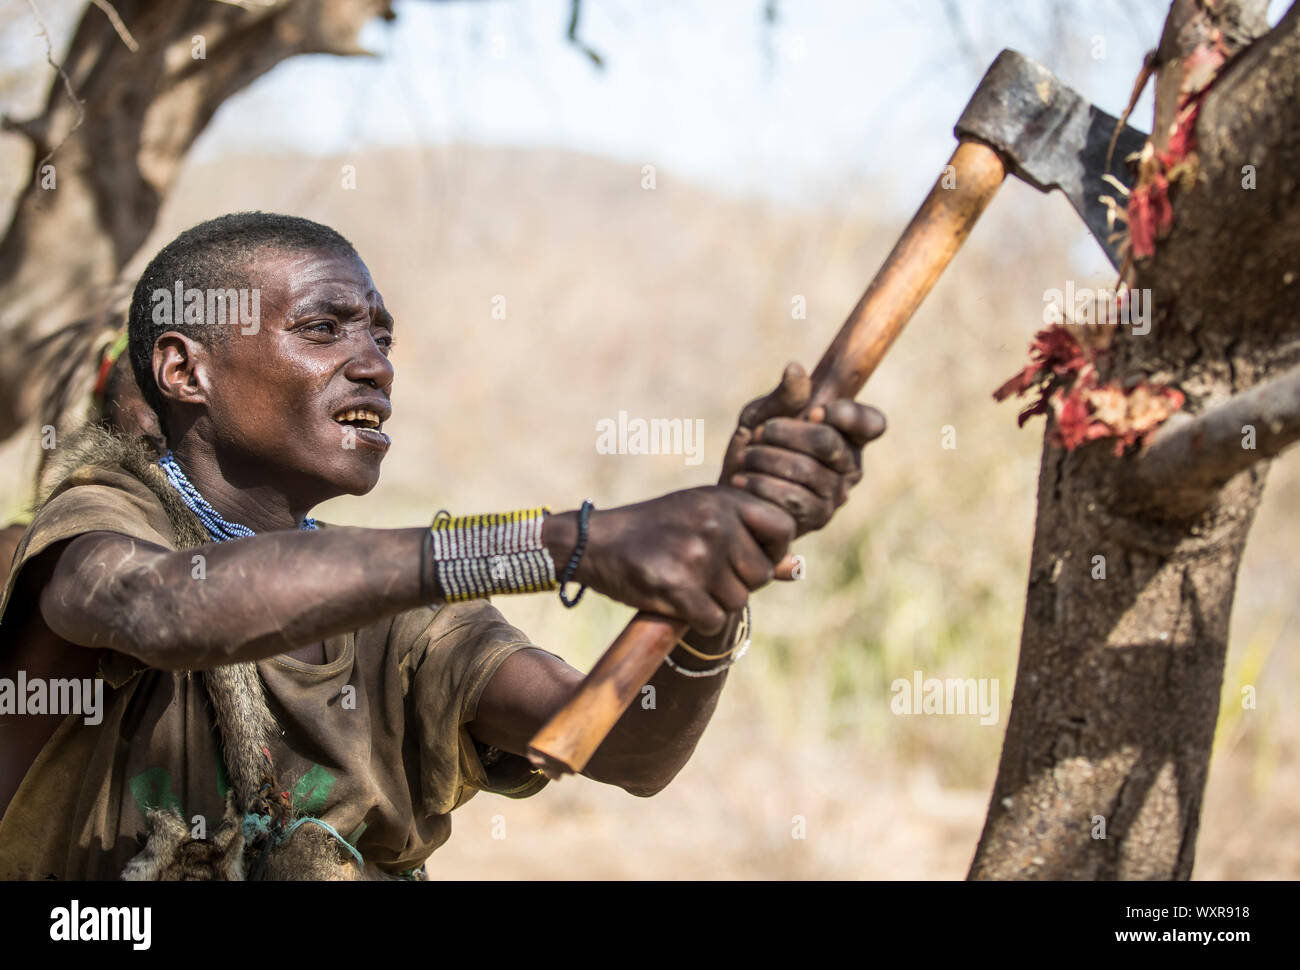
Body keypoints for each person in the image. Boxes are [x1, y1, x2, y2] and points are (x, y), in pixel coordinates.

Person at [0, 212, 884, 880]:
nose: (376, 364)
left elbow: (621, 748)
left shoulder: (408, 619)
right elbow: (166, 605)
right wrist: (565, 544)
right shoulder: (97, 528)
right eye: (324, 329)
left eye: (381, 336)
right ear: (185, 371)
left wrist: (717, 577)